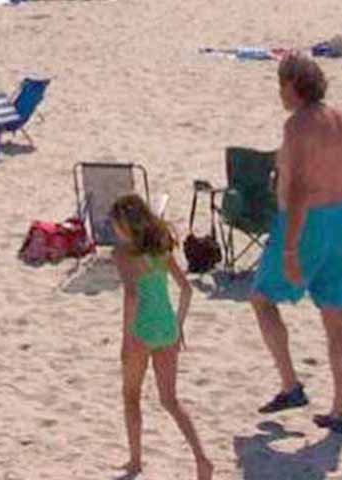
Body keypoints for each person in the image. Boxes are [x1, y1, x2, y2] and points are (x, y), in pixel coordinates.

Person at [251, 54, 342, 437]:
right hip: (341, 220)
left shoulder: (298, 124)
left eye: (280, 85)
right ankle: (340, 409)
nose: (279, 93)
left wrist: (289, 248)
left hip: (305, 223)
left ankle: (290, 384)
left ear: (292, 85)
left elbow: (298, 187)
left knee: (262, 299)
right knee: (335, 315)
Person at [112, 194, 212, 480]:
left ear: (125, 227)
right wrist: (178, 326)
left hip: (141, 332)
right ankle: (202, 459)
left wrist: (126, 340)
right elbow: (186, 290)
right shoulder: (161, 248)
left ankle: (135, 461)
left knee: (131, 396)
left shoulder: (123, 255)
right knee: (170, 400)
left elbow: (131, 297)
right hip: (167, 328)